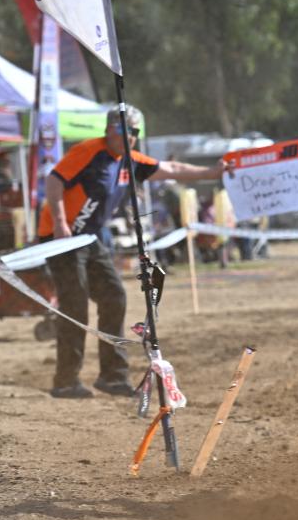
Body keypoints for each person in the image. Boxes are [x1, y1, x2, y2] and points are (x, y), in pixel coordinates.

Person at [40, 107, 225, 399]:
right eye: (122, 129)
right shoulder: (89, 151)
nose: (128, 136)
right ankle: (65, 380)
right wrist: (61, 221)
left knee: (114, 296)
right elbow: (54, 180)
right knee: (75, 304)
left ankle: (112, 376)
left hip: (89, 238)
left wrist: (212, 173)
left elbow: (173, 169)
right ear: (108, 130)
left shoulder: (131, 161)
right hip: (60, 236)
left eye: (134, 131)